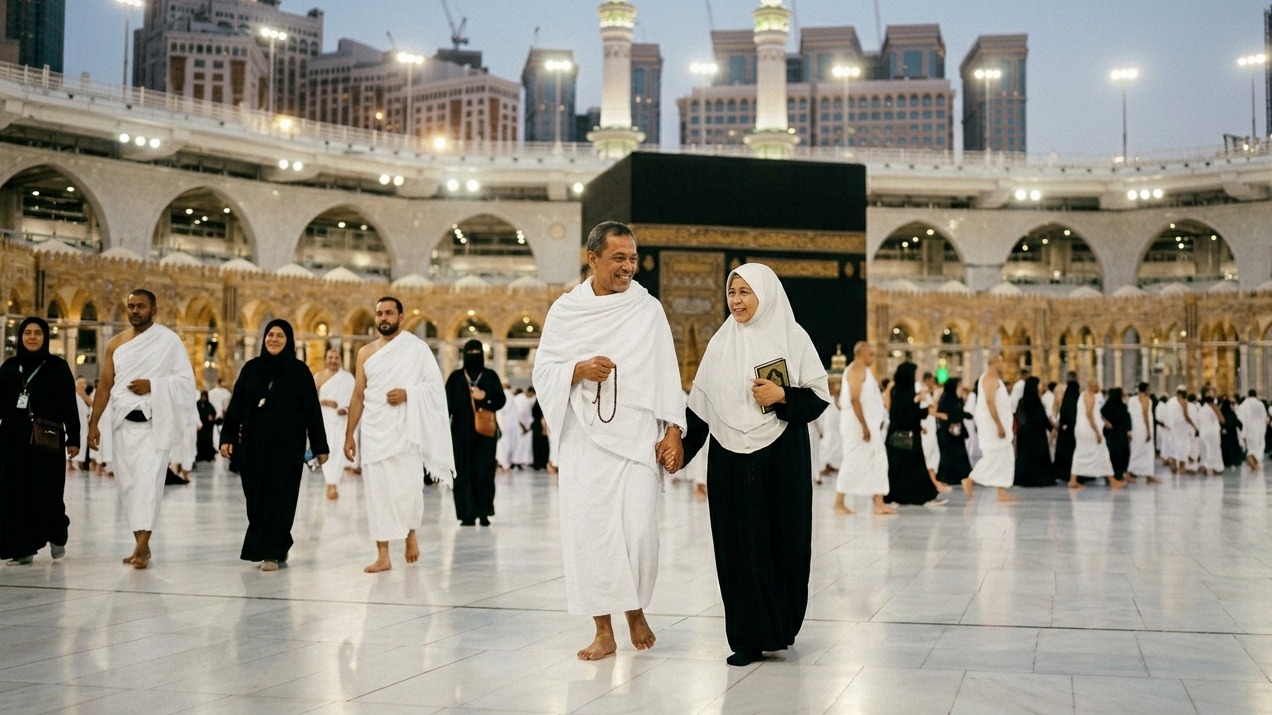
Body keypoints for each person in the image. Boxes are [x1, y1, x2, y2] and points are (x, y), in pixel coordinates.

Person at [532, 221, 685, 662]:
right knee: (590, 534)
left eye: (632, 259)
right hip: (585, 440)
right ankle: (603, 630)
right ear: (592, 258)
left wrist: (673, 429)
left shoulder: (647, 309)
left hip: (637, 437)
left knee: (639, 531)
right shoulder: (566, 311)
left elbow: (666, 371)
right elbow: (544, 370)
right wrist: (578, 370)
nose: (628, 267)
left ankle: (635, 609)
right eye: (618, 258)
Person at [681, 263, 829, 667]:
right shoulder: (721, 343)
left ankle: (780, 628)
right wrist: (680, 450)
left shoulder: (793, 338)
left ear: (765, 294)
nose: (737, 300)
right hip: (729, 459)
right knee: (737, 546)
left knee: (784, 542)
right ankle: (746, 638)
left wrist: (782, 396)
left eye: (745, 292)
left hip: (781, 458)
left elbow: (817, 399)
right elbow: (701, 409)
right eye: (732, 293)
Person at [344, 297, 455, 573]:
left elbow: (435, 388)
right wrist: (349, 435)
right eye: (379, 313)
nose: (383, 318)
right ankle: (382, 555)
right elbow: (358, 395)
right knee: (377, 494)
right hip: (374, 431)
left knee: (407, 488)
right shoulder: (365, 353)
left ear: (401, 317)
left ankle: (410, 534)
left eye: (389, 313)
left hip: (406, 431)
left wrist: (409, 393)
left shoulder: (417, 349)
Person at [87, 289, 196, 569]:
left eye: (141, 306)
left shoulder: (169, 341)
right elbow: (105, 385)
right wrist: (93, 423)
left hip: (153, 424)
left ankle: (142, 545)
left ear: (154, 310)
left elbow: (186, 382)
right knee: (128, 486)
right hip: (123, 424)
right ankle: (141, 544)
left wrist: (153, 385)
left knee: (148, 485)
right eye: (131, 306)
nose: (135, 311)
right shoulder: (116, 344)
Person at [220, 320, 328, 571]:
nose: (274, 339)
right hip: (253, 445)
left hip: (287, 447)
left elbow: (312, 410)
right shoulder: (251, 369)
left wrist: (320, 445)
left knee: (281, 497)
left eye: (280, 335)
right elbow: (236, 404)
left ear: (288, 340)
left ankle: (271, 551)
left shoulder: (299, 371)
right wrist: (227, 437)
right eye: (270, 335)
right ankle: (273, 543)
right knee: (255, 497)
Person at [0, 317, 80, 564]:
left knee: (47, 492)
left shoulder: (57, 367)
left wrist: (74, 438)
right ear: (20, 337)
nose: (32, 337)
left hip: (47, 441)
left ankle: (57, 532)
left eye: (37, 333)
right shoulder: (10, 367)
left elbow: (69, 404)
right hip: (13, 441)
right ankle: (23, 548)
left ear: (45, 337)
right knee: (15, 493)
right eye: (27, 333)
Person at [445, 339, 507, 526]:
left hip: (485, 436)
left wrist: (484, 396)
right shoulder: (456, 378)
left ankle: (484, 512)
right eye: (470, 352)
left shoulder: (490, 376)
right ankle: (466, 514)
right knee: (462, 473)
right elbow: (445, 406)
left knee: (484, 473)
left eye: (476, 352)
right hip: (460, 435)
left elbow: (500, 400)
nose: (473, 356)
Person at [833, 342, 895, 515]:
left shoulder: (865, 371)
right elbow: (855, 399)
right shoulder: (855, 370)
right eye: (870, 354)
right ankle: (839, 502)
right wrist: (864, 426)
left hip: (869, 424)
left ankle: (878, 502)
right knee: (853, 460)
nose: (873, 358)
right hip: (858, 425)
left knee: (878, 460)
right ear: (860, 354)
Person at [883, 363, 942, 506]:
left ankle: (914, 496)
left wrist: (921, 409)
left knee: (908, 468)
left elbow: (910, 412)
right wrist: (920, 403)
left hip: (907, 434)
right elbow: (903, 412)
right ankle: (917, 496)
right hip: (904, 436)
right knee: (911, 468)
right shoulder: (900, 391)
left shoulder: (903, 390)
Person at [964, 353, 1017, 502]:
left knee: (1005, 456)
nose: (1002, 365)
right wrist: (999, 426)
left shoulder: (995, 379)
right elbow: (989, 402)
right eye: (1000, 362)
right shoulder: (989, 379)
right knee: (993, 457)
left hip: (997, 425)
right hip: (993, 426)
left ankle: (1002, 492)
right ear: (994, 363)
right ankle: (970, 480)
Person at [314, 349, 355, 500]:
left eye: (336, 358)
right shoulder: (318, 377)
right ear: (326, 359)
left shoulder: (348, 378)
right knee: (326, 450)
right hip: (324, 420)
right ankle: (330, 483)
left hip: (341, 420)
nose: (333, 360)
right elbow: (309, 399)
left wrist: (345, 408)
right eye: (330, 357)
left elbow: (354, 399)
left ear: (341, 360)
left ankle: (333, 483)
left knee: (338, 451)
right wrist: (323, 402)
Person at [1068, 381, 1122, 489]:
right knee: (1102, 452)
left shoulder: (1084, 395)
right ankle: (1112, 480)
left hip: (1083, 429)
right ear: (1091, 387)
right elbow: (1089, 415)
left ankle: (1073, 480)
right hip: (1089, 430)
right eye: (1096, 386)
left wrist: (1104, 422)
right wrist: (1097, 432)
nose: (1098, 388)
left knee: (1081, 453)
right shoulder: (1090, 396)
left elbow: (1095, 413)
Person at [1014, 376, 1054, 487]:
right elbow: (1042, 418)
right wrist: (1051, 427)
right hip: (1036, 435)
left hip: (1025, 435)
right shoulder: (1036, 402)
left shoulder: (1022, 401)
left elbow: (1020, 418)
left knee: (1025, 457)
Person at [935, 377, 972, 487]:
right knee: (950, 455)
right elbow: (949, 413)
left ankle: (958, 476)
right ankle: (949, 477)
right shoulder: (947, 398)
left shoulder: (955, 398)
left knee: (956, 454)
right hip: (948, 432)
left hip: (955, 432)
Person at [1101, 388, 1133, 484]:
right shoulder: (1122, 406)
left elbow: (1101, 416)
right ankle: (1119, 475)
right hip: (1121, 434)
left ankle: (1110, 476)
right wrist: (1128, 430)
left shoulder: (1106, 406)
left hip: (1110, 434)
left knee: (1111, 455)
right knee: (1121, 455)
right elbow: (1126, 419)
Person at [1053, 374, 1080, 483]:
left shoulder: (1066, 401)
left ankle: (1063, 473)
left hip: (1065, 432)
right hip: (1074, 431)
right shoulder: (1077, 400)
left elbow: (1063, 414)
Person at [1128, 382, 1157, 482]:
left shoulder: (1132, 399)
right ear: (1145, 389)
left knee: (1136, 450)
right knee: (1147, 451)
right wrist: (1148, 431)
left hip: (1135, 428)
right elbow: (1145, 414)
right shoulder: (1146, 399)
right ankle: (1146, 475)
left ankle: (1138, 473)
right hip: (1143, 428)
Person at [1239, 390, 1269, 469]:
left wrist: (1243, 431)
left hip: (1249, 429)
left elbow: (1240, 417)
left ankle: (1253, 463)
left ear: (1248, 395)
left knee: (1251, 448)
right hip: (1260, 429)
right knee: (1258, 448)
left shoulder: (1245, 403)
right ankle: (1255, 463)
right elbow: (1265, 417)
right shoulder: (1260, 404)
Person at [1195, 395, 1225, 475]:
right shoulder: (1214, 408)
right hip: (1213, 433)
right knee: (1215, 450)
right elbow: (1222, 420)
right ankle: (1217, 468)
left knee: (1204, 451)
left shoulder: (1200, 409)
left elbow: (1197, 422)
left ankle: (1204, 466)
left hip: (1203, 432)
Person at [1219, 396, 1244, 468]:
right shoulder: (1231, 413)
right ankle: (1233, 461)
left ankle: (1225, 461)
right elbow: (1237, 422)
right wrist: (1241, 427)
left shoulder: (1221, 413)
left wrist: (1223, 428)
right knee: (1233, 448)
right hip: (1232, 435)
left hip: (1224, 435)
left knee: (1224, 448)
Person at [195, 391, 217, 462]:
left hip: (207, 427)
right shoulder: (197, 404)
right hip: (200, 427)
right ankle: (200, 456)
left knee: (208, 441)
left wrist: (211, 416)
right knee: (199, 441)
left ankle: (208, 456)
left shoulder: (209, 405)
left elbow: (213, 412)